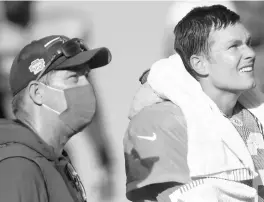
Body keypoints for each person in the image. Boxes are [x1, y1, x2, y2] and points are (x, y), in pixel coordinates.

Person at [124, 4, 264, 202]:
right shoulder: (159, 121)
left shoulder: (255, 115)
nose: (250, 53)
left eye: (249, 43)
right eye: (234, 46)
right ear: (199, 63)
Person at [0, 35, 111, 202]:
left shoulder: (55, 164)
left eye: (86, 76)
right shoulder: (19, 167)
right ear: (38, 93)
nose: (87, 86)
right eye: (74, 77)